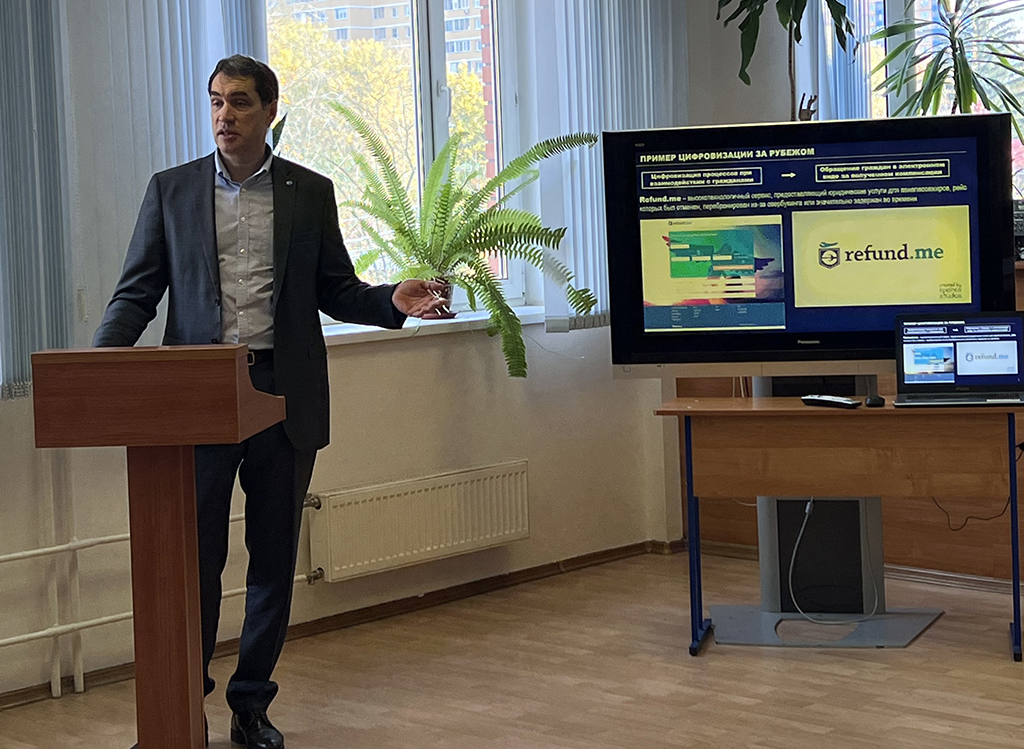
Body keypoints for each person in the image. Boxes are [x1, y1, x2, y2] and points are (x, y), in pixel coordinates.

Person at [94, 55, 450, 749]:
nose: (224, 115)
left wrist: (391, 300)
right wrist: (102, 367)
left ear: (269, 111)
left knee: (272, 560)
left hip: (283, 398)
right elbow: (137, 292)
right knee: (194, 563)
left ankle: (251, 704)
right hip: (198, 398)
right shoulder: (171, 190)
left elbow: (335, 289)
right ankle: (182, 704)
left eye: (239, 102)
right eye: (216, 102)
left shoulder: (308, 192)